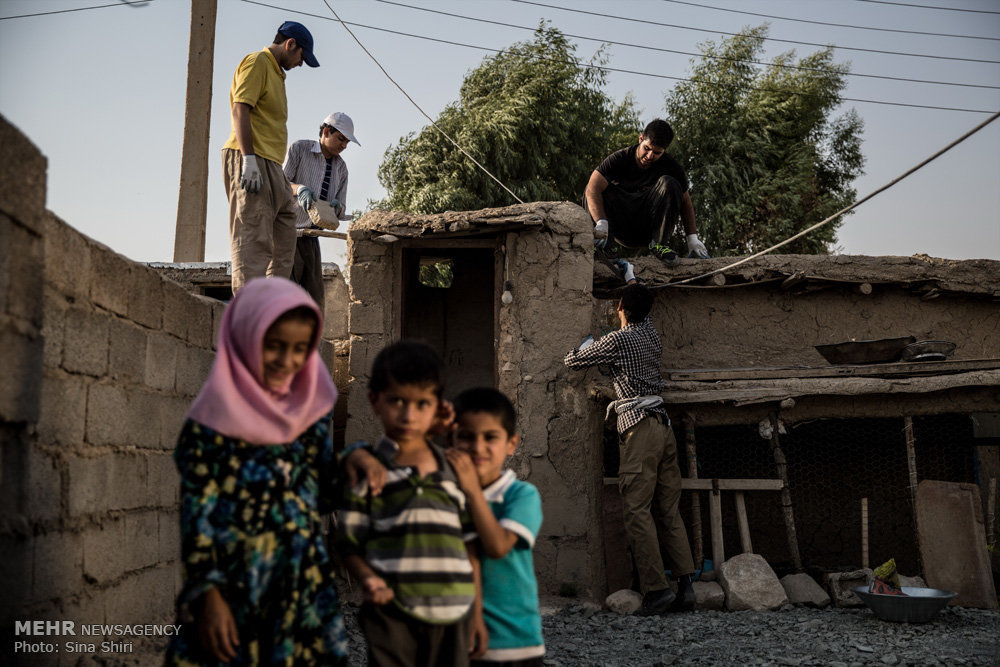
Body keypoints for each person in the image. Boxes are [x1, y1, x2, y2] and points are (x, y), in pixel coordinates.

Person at [164, 277, 387, 665]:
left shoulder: (308, 417)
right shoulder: (212, 426)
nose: (288, 361)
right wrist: (210, 597)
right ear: (246, 338)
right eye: (274, 345)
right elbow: (198, 519)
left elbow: (319, 493)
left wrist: (353, 460)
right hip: (235, 589)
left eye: (300, 349)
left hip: (301, 588)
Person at [336, 340, 488, 666]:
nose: (408, 415)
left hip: (454, 612)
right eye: (397, 401)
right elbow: (347, 542)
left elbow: (470, 547)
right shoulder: (369, 470)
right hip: (392, 614)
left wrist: (477, 613)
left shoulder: (452, 468)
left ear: (437, 407)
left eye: (422, 404)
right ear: (375, 401)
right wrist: (368, 579)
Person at [563, 283, 696, 616]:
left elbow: (573, 362)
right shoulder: (650, 335)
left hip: (639, 428)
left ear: (621, 305)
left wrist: (585, 342)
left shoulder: (619, 340)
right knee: (668, 510)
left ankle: (656, 590)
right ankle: (686, 586)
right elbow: (640, 312)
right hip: (664, 427)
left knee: (636, 511)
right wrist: (631, 279)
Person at [445, 388, 545, 667]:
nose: (477, 447)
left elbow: (498, 546)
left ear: (511, 443)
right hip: (460, 638)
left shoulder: (521, 495)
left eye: (490, 437)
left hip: (515, 643)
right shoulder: (446, 497)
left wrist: (473, 492)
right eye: (466, 436)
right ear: (450, 441)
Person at [222, 21, 320, 294]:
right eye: (302, 56)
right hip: (251, 157)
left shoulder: (277, 74)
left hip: (273, 164)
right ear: (290, 44)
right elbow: (240, 108)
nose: (301, 64)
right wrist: (248, 160)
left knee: (285, 233)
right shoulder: (257, 62)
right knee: (253, 238)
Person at [585, 119, 710, 263]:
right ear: (640, 139)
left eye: (657, 153)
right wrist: (601, 223)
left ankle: (659, 245)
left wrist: (692, 238)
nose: (650, 156)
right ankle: (605, 248)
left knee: (670, 183)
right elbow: (592, 189)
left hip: (646, 228)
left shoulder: (671, 166)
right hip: (619, 225)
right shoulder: (619, 159)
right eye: (647, 148)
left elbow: (686, 202)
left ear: (664, 150)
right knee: (593, 186)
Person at [283, 112, 360, 311]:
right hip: (288, 233)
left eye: (347, 142)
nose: (344, 146)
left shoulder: (341, 168)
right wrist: (298, 188)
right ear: (326, 132)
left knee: (315, 296)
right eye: (340, 139)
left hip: (312, 237)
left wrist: (337, 208)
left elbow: (341, 207)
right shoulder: (300, 149)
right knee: (288, 293)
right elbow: (279, 184)